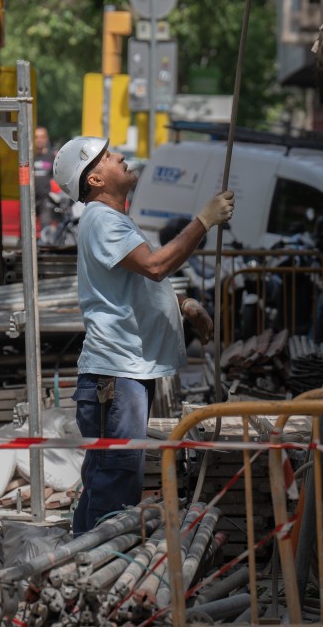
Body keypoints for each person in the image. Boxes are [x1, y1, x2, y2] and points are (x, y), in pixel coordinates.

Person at [53, 136, 235, 535]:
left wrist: (184, 304)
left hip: (121, 375)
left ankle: (79, 567)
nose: (120, 156)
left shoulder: (113, 220)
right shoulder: (102, 219)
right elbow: (155, 267)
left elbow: (135, 284)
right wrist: (203, 220)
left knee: (108, 479)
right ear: (96, 178)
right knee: (115, 485)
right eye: (108, 156)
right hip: (115, 376)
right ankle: (91, 575)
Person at [32, 126, 56, 229]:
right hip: (29, 198)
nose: (39, 140)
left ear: (46, 139)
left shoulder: (52, 157)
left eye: (42, 137)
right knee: (26, 228)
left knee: (45, 228)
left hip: (45, 198)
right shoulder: (28, 156)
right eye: (36, 137)